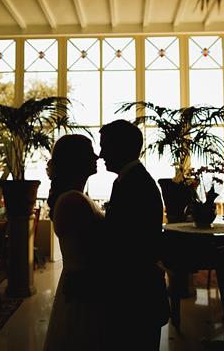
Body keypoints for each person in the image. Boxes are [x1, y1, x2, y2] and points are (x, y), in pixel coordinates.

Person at [99, 119, 170, 350]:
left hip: (136, 298)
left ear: (121, 148)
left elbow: (127, 246)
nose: (101, 154)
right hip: (135, 295)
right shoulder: (128, 181)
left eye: (105, 147)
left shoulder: (135, 184)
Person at [43, 134, 107, 351]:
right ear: (75, 159)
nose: (96, 156)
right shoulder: (73, 200)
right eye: (90, 151)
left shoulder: (76, 197)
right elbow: (99, 250)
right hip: (85, 286)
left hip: (83, 282)